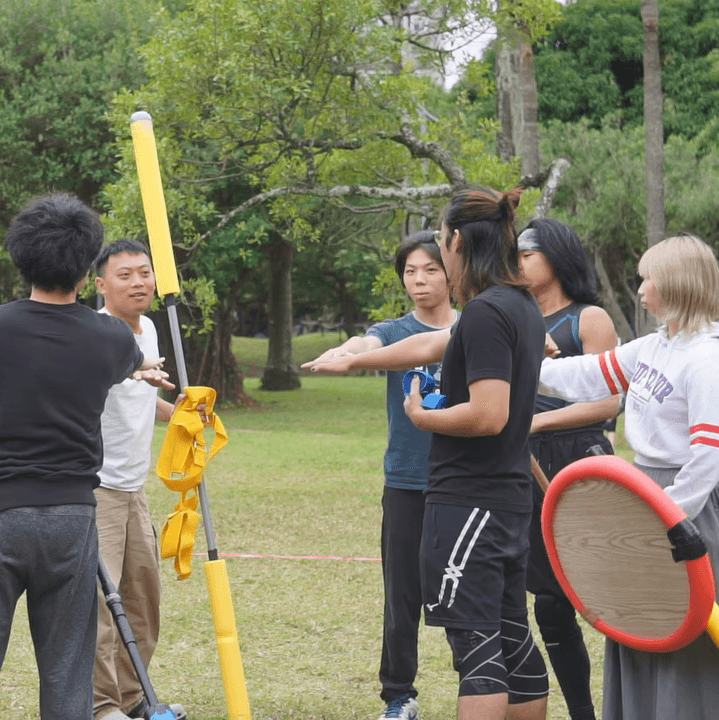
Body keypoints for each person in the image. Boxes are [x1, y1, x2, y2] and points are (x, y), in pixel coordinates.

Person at [304, 187, 550, 720]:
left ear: (457, 241)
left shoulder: (484, 312)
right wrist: (352, 360)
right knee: (512, 638)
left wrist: (423, 417)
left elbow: (489, 414)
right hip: (505, 501)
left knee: (478, 649)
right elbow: (427, 346)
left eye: (441, 242)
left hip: (469, 505)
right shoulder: (520, 305)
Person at [0, 194, 172, 720]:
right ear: (88, 268)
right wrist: (146, 368)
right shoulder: (111, 338)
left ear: (21, 257)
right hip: (72, 518)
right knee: (68, 672)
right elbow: (137, 361)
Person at [538, 234, 719, 720]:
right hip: (644, 494)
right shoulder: (658, 345)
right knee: (636, 618)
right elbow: (590, 375)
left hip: (688, 509)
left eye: (647, 279)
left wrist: (669, 519)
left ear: (678, 283)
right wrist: (522, 364)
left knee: (682, 630)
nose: (639, 290)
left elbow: (708, 457)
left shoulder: (707, 358)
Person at [307, 231, 458, 720]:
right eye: (410, 271)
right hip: (406, 480)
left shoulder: (475, 325)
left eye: (430, 269)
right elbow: (366, 340)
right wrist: (346, 350)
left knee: (464, 589)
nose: (419, 280)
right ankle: (399, 695)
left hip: (462, 479)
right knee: (402, 595)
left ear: (452, 270)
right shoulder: (393, 331)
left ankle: (478, 683)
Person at [517, 219, 618, 720]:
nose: (516, 261)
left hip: (581, 461)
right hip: (525, 465)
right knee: (551, 605)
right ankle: (583, 714)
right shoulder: (514, 318)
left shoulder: (588, 318)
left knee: (615, 598)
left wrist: (534, 421)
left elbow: (610, 400)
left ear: (555, 257)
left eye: (526, 253)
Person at [93, 239, 187, 720]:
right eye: (125, 274)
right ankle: (102, 704)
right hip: (97, 487)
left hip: (135, 488)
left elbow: (142, 397)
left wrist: (180, 413)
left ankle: (134, 697)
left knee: (143, 598)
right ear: (100, 283)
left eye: (144, 273)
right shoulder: (93, 333)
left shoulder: (148, 327)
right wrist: (133, 372)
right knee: (104, 608)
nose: (138, 282)